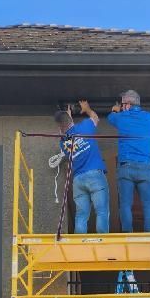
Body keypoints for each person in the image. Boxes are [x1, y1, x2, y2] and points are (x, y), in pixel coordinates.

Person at [55, 100, 109, 233]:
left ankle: (80, 243)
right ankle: (102, 241)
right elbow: (95, 118)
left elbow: (67, 133)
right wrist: (87, 109)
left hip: (78, 180)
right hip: (94, 174)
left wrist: (67, 120)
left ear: (61, 128)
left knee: (81, 215)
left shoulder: (63, 144)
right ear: (71, 120)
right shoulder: (85, 126)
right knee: (101, 211)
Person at [107, 90, 150, 232]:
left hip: (126, 166)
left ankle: (127, 233)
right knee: (148, 205)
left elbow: (111, 117)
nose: (122, 107)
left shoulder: (121, 117)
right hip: (146, 167)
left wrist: (116, 110)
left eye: (123, 104)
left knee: (125, 204)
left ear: (128, 105)